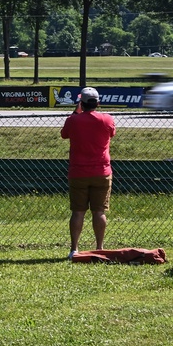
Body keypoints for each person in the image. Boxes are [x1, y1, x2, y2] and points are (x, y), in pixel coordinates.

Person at [60, 87, 116, 258]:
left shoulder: (73, 120)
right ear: (98, 103)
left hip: (78, 172)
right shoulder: (107, 119)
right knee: (99, 212)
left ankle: (74, 249)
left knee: (78, 212)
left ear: (81, 103)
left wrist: (76, 113)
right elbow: (112, 133)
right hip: (102, 171)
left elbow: (64, 135)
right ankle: (99, 248)